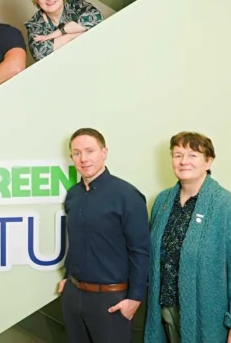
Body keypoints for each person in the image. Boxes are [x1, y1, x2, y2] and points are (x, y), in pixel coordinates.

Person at [144, 132, 231, 343]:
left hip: (207, 319)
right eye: (177, 155)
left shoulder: (227, 207)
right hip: (163, 312)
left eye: (193, 155)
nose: (184, 161)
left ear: (208, 161)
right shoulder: (162, 202)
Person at [60, 128, 150, 343]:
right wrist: (67, 278)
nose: (83, 159)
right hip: (74, 296)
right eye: (77, 153)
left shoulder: (127, 196)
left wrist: (135, 298)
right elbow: (78, 242)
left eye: (89, 151)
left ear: (104, 152)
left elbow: (141, 250)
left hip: (111, 300)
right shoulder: (73, 195)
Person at [24, 0, 103, 62]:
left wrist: (60, 32)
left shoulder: (76, 4)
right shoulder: (34, 24)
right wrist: (79, 33)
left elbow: (97, 17)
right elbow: (39, 54)